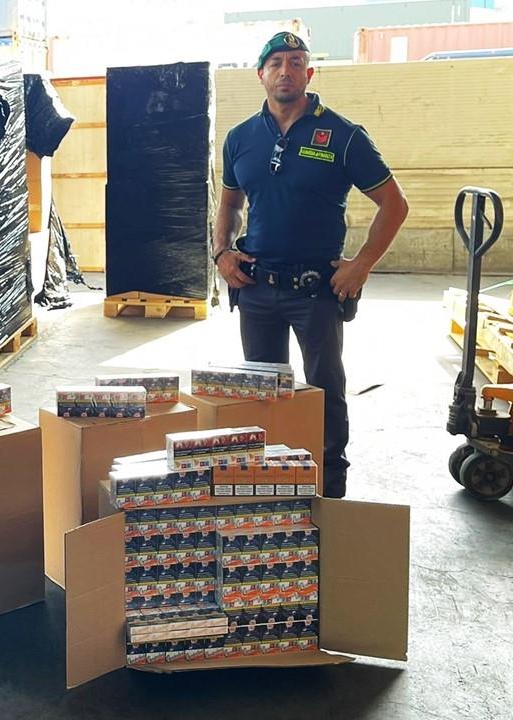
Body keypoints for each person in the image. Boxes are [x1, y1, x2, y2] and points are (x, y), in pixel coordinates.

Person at [213, 32, 409, 499]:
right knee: (262, 394)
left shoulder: (344, 136)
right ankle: (270, 490)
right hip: (256, 288)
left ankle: (330, 490)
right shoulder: (240, 138)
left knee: (324, 394)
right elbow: (230, 205)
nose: (286, 70)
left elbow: (394, 204)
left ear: (309, 73)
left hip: (316, 291)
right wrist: (221, 252)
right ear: (261, 74)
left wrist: (361, 265)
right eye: (276, 63)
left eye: (296, 62)